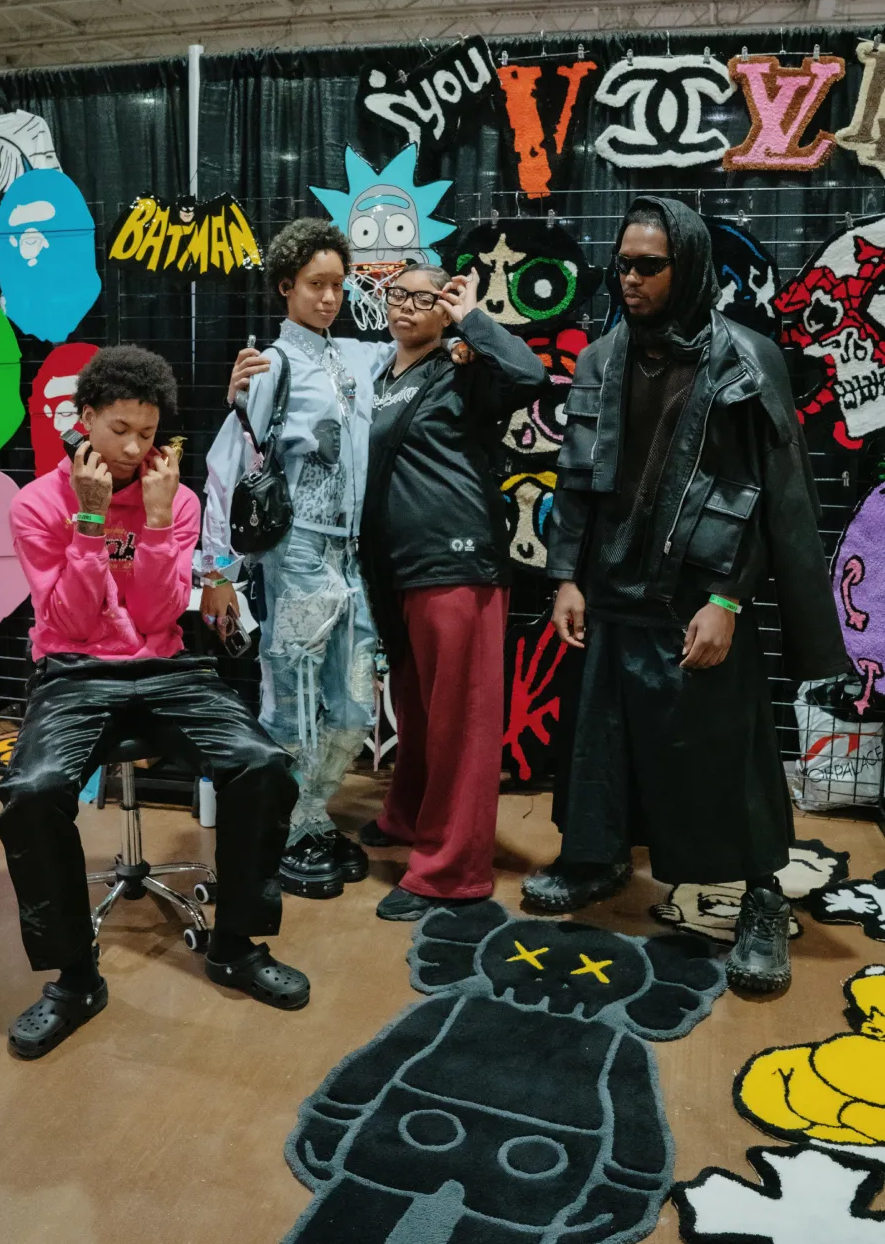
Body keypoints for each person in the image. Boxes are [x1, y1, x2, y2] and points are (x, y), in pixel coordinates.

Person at [521, 196, 850, 994]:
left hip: (699, 594)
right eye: (622, 266)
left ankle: (762, 895)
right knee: (600, 737)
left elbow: (773, 499)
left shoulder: (746, 359)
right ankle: (596, 858)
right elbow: (577, 479)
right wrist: (565, 577)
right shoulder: (603, 358)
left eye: (648, 266)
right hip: (611, 586)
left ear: (689, 266)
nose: (629, 280)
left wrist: (729, 601)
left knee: (725, 751)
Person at [0, 346, 308, 1061]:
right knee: (32, 792)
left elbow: (162, 613)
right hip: (74, 670)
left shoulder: (177, 498)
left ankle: (234, 946)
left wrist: (160, 522)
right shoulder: (37, 504)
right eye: (120, 430)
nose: (136, 449)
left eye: (148, 432)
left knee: (262, 764)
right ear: (84, 420)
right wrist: (91, 521)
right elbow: (71, 621)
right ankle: (75, 980)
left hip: (165, 666)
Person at [202, 220, 391, 901]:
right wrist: (216, 571)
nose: (329, 297)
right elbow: (227, 468)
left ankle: (314, 811)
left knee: (353, 695)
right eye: (315, 284)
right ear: (286, 286)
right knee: (294, 696)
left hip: (353, 551)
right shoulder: (269, 366)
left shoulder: (362, 357)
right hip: (297, 550)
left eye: (338, 285)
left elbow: (414, 345)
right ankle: (287, 825)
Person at [355, 265, 546, 920]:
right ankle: (409, 816)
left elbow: (529, 375)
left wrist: (474, 320)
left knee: (460, 723)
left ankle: (451, 870)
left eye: (424, 297)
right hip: (397, 571)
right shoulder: (380, 377)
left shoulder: (463, 370)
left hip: (457, 567)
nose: (406, 306)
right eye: (397, 294)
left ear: (445, 309)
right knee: (417, 709)